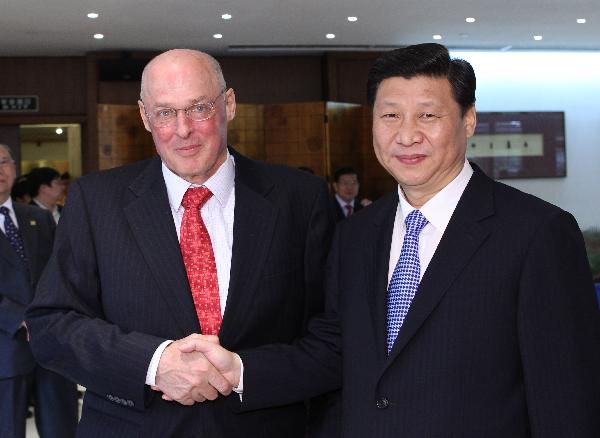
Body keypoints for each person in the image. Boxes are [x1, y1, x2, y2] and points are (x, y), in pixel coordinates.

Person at [181, 43, 600, 437]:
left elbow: (566, 396)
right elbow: (335, 354)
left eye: (428, 116)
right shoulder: (357, 235)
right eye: (391, 116)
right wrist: (239, 370)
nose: (407, 135)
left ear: (468, 119)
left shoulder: (536, 233)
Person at [25, 49, 334, 437]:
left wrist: (242, 373)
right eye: (165, 112)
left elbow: (333, 335)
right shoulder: (96, 201)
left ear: (230, 104)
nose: (183, 129)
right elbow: (52, 325)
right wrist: (154, 364)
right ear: (145, 117)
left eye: (199, 108)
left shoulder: (300, 199)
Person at [0, 144, 78, 438]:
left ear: (15, 168)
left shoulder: (39, 218)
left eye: (4, 162)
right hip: (5, 351)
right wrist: (19, 318)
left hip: (52, 349)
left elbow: (63, 272)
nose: (0, 170)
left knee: (62, 429)